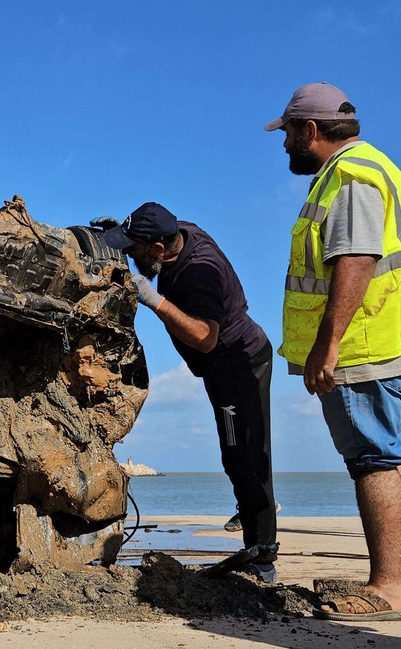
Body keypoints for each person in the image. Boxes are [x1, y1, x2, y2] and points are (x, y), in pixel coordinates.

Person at [265, 82, 401, 621]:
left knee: (373, 461)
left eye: (288, 135)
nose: (284, 147)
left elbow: (356, 260)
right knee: (392, 457)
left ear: (311, 131)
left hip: (366, 345)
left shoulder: (349, 178)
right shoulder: (375, 167)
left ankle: (388, 588)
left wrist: (328, 345)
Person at [103, 202, 279, 580]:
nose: (130, 257)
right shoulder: (177, 231)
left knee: (243, 454)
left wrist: (154, 300)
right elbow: (146, 240)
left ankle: (263, 555)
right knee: (238, 456)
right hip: (222, 363)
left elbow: (204, 337)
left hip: (237, 362)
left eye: (133, 250)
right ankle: (257, 526)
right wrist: (120, 236)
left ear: (160, 250)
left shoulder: (201, 272)